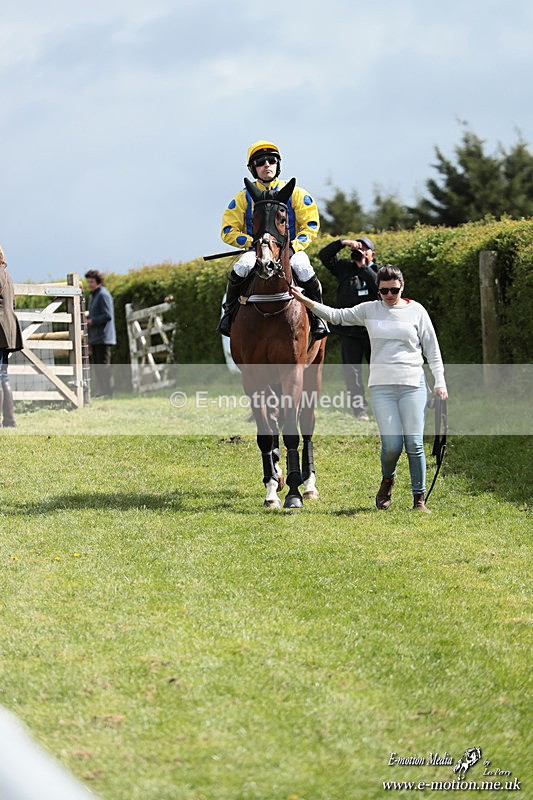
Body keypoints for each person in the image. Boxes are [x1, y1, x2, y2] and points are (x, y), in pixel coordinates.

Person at [290, 264, 448, 513]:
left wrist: (440, 382)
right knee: (392, 445)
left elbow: (432, 350)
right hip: (381, 387)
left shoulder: (417, 311)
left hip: (413, 385)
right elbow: (336, 315)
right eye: (383, 291)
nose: (388, 296)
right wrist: (304, 300)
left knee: (414, 444)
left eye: (393, 290)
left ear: (402, 287)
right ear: (378, 290)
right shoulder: (369, 310)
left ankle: (419, 499)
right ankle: (388, 479)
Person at [218, 140, 327, 339]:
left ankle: (318, 316)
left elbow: (310, 225)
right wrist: (252, 242)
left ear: (278, 165)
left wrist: (294, 245)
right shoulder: (242, 199)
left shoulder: (297, 193)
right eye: (260, 162)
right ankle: (228, 313)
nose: (266, 164)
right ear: (253, 169)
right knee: (242, 266)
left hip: (290, 249)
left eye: (271, 160)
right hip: (258, 249)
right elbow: (227, 230)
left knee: (303, 268)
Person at [318, 236, 379, 420]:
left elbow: (379, 288)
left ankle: (382, 406)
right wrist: (342, 242)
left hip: (373, 332)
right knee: (352, 372)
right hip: (349, 332)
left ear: (372, 254)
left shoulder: (379, 271)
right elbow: (324, 256)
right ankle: (360, 410)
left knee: (378, 371)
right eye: (358, 249)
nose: (360, 253)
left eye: (364, 250)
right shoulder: (344, 269)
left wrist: (364, 267)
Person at [0, 245, 23, 427]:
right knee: (3, 376)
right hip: (8, 329)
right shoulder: (8, 275)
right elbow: (13, 302)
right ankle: (9, 419)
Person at [85, 269, 116, 398]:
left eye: (91, 282)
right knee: (97, 367)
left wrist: (92, 321)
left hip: (104, 336)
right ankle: (101, 391)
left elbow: (107, 315)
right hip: (96, 337)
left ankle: (108, 392)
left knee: (103, 367)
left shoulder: (103, 295)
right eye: (88, 282)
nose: (89, 284)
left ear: (98, 282)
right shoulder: (93, 295)